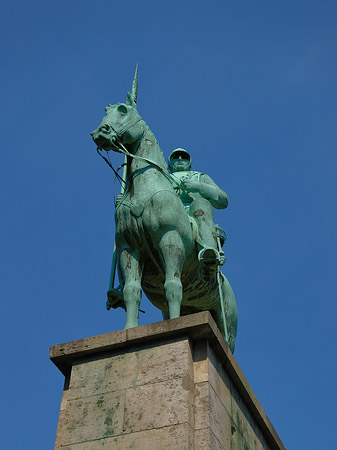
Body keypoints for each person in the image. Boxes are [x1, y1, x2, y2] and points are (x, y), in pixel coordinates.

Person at [168, 148, 228, 280]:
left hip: (194, 214)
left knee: (201, 204)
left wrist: (198, 187)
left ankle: (208, 252)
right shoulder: (161, 177)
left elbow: (223, 200)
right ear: (169, 163)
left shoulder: (199, 177)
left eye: (183, 157)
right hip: (166, 214)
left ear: (189, 163)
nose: (179, 159)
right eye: (175, 157)